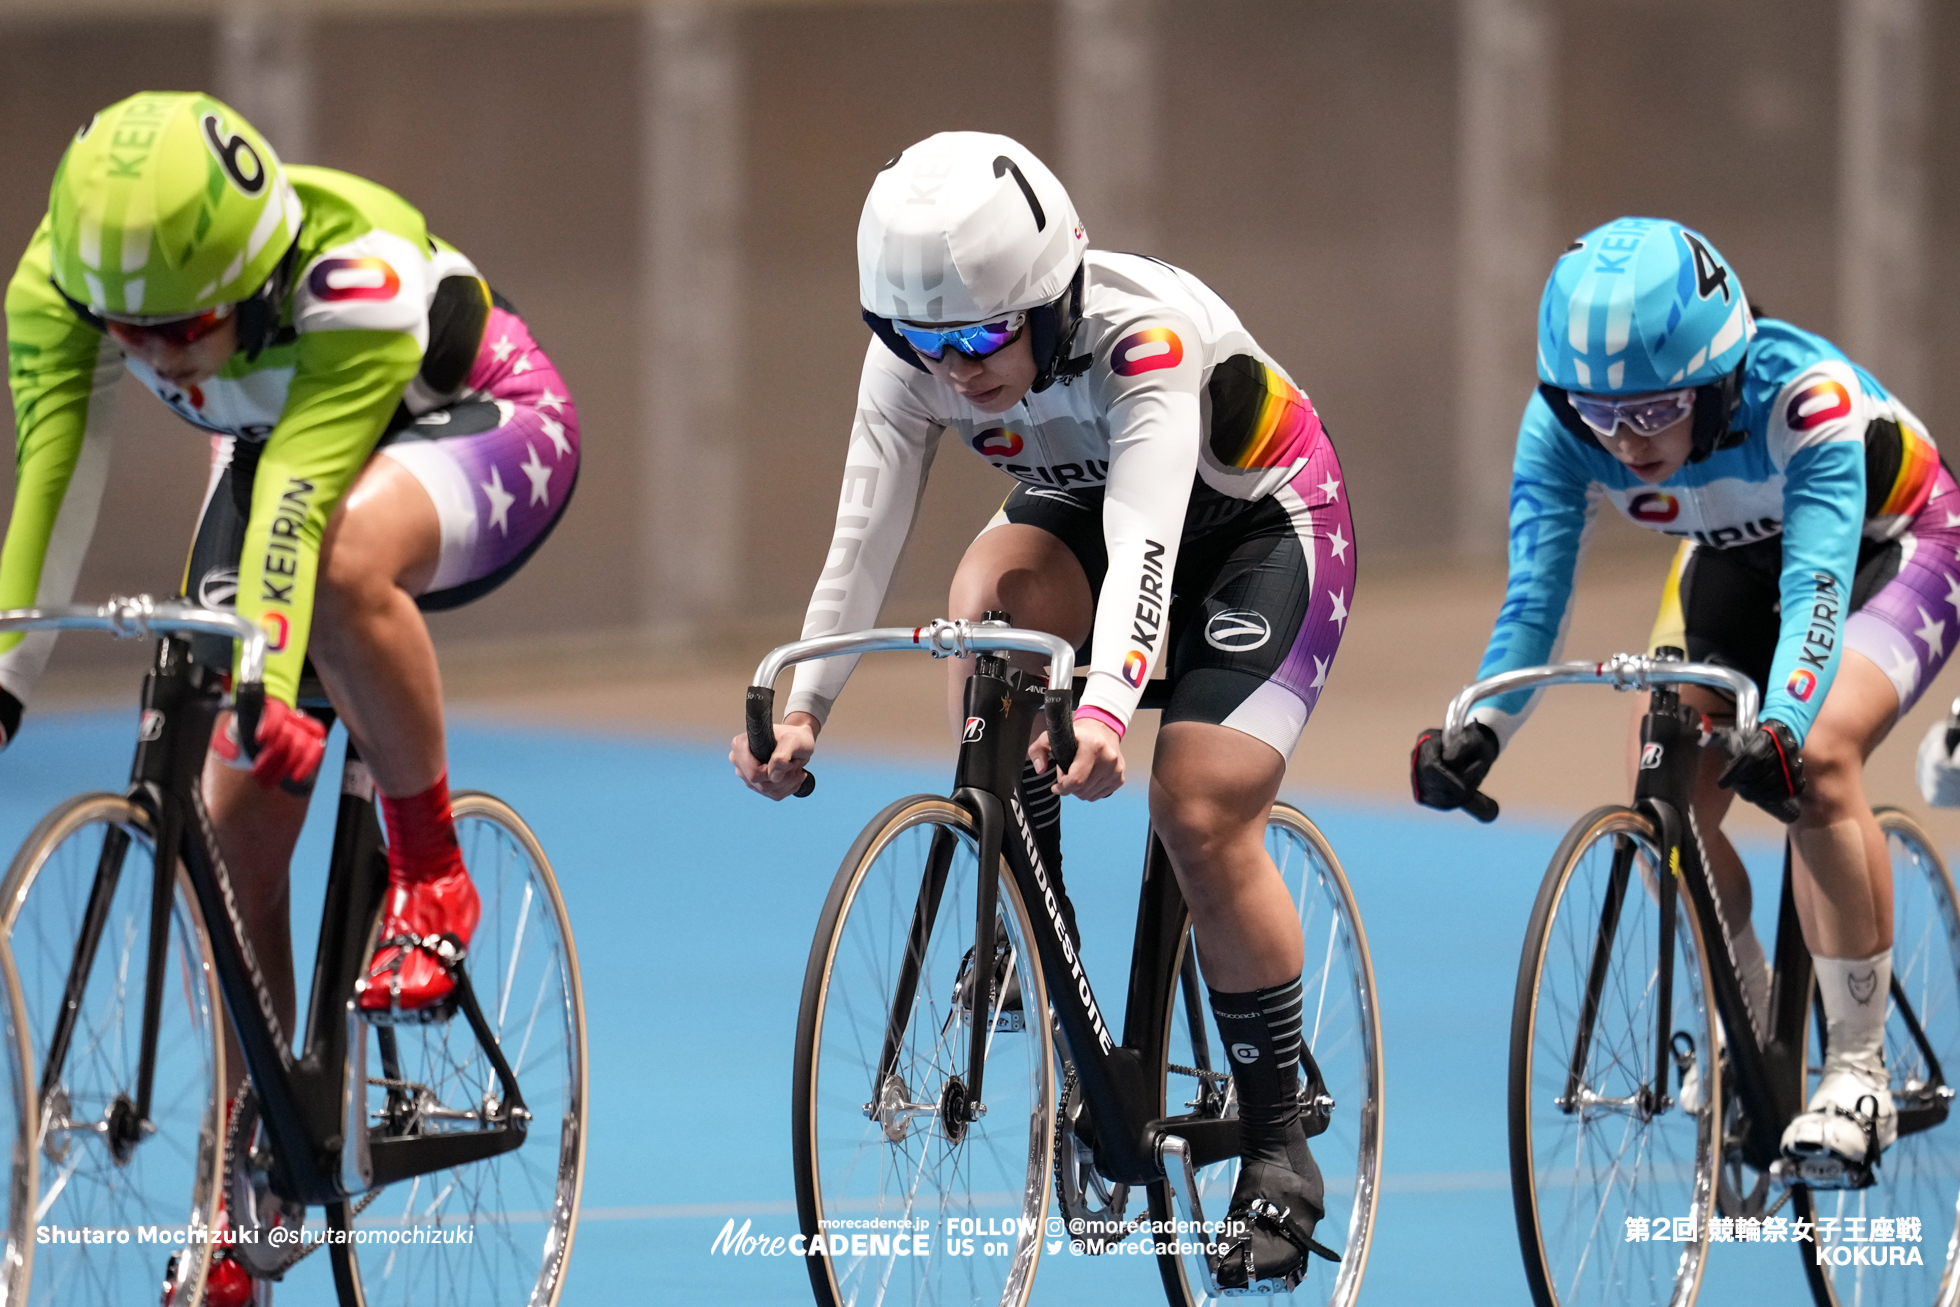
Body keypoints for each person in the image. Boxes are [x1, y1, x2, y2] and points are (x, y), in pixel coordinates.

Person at [732, 131, 1353, 1285]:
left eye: (978, 338)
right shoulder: (918, 359)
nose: (954, 370)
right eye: (916, 343)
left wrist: (1111, 704)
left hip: (1258, 532)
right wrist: (804, 700)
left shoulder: (1141, 341)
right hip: (1090, 508)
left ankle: (1279, 1138)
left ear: (1052, 298)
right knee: (984, 607)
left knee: (1199, 804)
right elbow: (861, 541)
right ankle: (1027, 922)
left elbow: (1147, 546)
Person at [2, 92, 581, 1303]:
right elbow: (53, 469)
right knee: (229, 826)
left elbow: (302, 510)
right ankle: (259, 1161)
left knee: (335, 571)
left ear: (251, 278)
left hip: (466, 426)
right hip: (279, 457)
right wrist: (6, 683)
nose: (157, 357)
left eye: (188, 327)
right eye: (129, 331)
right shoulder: (60, 278)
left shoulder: (347, 279)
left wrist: (265, 666)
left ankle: (431, 865)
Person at [1412, 216, 1946, 1184]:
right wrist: (1476, 728)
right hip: (1732, 558)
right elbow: (1534, 599)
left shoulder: (1803, 403)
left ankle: (1860, 1069)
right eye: (1596, 413)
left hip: (1890, 545)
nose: (1623, 439)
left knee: (1815, 761)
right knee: (1664, 788)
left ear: (1717, 380)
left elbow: (1815, 593)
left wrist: (1780, 725)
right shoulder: (1565, 427)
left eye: (1654, 410)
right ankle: (1751, 1022)